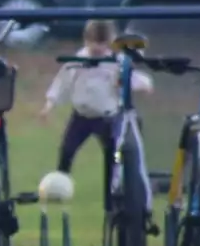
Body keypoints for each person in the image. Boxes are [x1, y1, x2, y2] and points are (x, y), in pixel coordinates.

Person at [40, 18, 154, 209]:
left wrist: (141, 85)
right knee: (67, 150)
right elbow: (61, 84)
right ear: (85, 40)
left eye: (102, 43)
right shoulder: (77, 61)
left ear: (110, 43)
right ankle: (59, 188)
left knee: (114, 157)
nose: (97, 48)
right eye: (93, 42)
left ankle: (111, 199)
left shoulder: (116, 63)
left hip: (107, 119)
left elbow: (135, 80)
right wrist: (48, 105)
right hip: (81, 118)